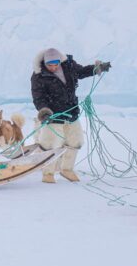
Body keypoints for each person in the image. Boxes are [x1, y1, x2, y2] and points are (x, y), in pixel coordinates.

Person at [31, 48, 111, 183]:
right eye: (50, 65)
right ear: (45, 63)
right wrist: (44, 111)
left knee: (75, 141)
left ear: (59, 61)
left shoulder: (69, 66)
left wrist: (97, 68)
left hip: (71, 112)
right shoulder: (38, 75)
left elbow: (82, 71)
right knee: (49, 144)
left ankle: (66, 169)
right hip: (52, 115)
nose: (53, 67)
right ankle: (48, 173)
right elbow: (38, 97)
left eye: (55, 64)